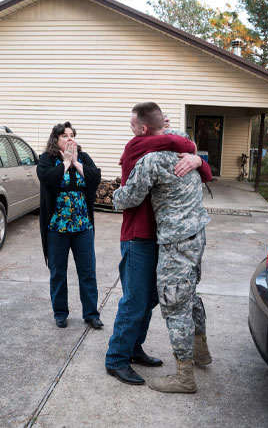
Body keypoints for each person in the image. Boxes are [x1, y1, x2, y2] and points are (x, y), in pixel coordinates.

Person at [105, 102, 213, 386]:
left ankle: (132, 348)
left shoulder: (167, 149)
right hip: (138, 236)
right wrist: (189, 150)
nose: (130, 131)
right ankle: (116, 358)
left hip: (164, 238)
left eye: (132, 125)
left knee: (155, 298)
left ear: (143, 127)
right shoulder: (137, 148)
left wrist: (199, 159)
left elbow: (188, 147)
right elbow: (180, 141)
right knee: (136, 300)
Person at [36, 121, 102, 328]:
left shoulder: (83, 157)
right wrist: (65, 163)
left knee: (88, 271)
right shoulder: (47, 159)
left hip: (83, 227)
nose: (70, 138)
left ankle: (91, 313)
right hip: (57, 227)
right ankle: (60, 313)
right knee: (58, 272)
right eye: (65, 136)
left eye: (72, 135)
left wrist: (75, 162)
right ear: (55, 139)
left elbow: (95, 177)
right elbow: (48, 179)